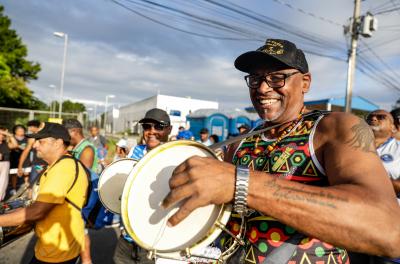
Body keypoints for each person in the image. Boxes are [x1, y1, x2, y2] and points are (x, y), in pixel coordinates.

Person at [162, 38, 400, 262]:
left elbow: (387, 230)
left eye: (277, 78)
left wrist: (241, 184)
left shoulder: (335, 128)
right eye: (255, 79)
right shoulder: (238, 144)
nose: (263, 89)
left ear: (305, 82)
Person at [0, 122, 88, 263]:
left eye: (41, 141)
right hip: (50, 247)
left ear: (58, 143)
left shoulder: (64, 168)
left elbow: (37, 212)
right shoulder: (55, 166)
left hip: (58, 252)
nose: (35, 145)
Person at [114, 108, 172, 264]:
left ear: (169, 129)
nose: (151, 131)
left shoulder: (176, 154)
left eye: (158, 126)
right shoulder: (136, 150)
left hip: (153, 241)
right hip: (127, 237)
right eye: (147, 126)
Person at [63, 119, 98, 264]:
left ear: (74, 131)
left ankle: (86, 260)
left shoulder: (87, 149)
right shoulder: (77, 147)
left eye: (65, 134)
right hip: (76, 197)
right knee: (78, 230)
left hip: (83, 198)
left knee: (81, 230)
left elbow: (82, 177)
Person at [367, 110, 400, 196]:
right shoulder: (349, 145)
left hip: (390, 203)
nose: (373, 118)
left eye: (381, 117)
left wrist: (369, 180)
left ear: (393, 127)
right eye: (369, 117)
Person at [17, 120, 46, 185]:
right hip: (37, 165)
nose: (29, 129)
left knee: (42, 186)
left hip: (45, 165)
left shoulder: (47, 136)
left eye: (30, 127)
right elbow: (25, 152)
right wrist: (20, 166)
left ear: (34, 127)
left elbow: (25, 152)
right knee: (33, 186)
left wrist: (20, 166)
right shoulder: (32, 138)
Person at [10, 124, 30, 195]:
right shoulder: (11, 138)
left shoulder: (27, 138)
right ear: (15, 131)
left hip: (26, 158)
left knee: (26, 172)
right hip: (14, 158)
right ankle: (13, 188)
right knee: (14, 174)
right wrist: (18, 146)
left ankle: (27, 186)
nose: (21, 132)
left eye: (23, 130)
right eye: (19, 130)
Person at [0, 127, 18, 201]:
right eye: (1, 134)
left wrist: (9, 135)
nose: (2, 136)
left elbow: (15, 145)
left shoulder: (6, 144)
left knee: (3, 182)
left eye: (3, 135)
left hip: (5, 164)